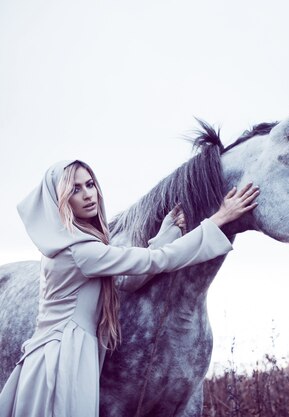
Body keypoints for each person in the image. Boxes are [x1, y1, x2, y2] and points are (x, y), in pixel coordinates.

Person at [0, 159, 259, 417]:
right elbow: (155, 260)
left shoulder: (75, 243)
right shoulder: (80, 251)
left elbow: (125, 279)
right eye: (75, 190)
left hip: (62, 351)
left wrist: (165, 235)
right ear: (60, 200)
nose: (88, 194)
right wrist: (219, 218)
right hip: (63, 357)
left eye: (89, 184)